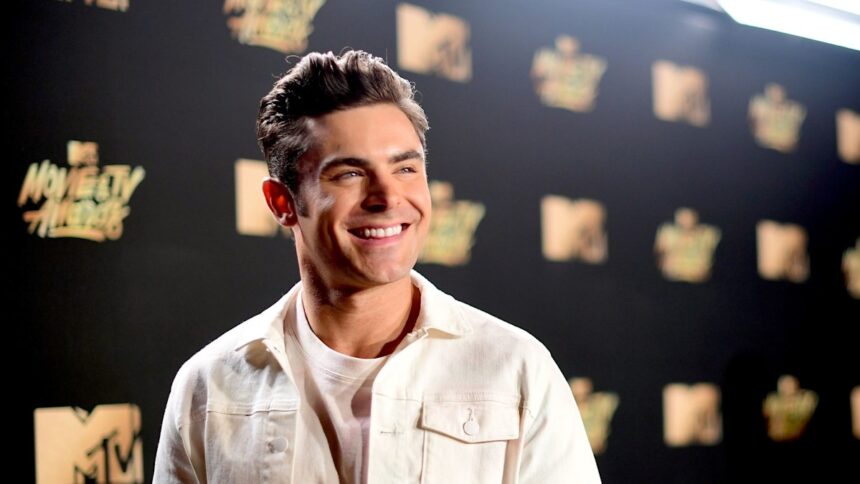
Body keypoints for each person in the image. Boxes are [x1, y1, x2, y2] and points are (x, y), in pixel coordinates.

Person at [153, 49, 601, 484]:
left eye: (405, 169)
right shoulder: (208, 386)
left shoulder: (517, 369)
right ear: (282, 203)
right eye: (349, 174)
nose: (387, 197)